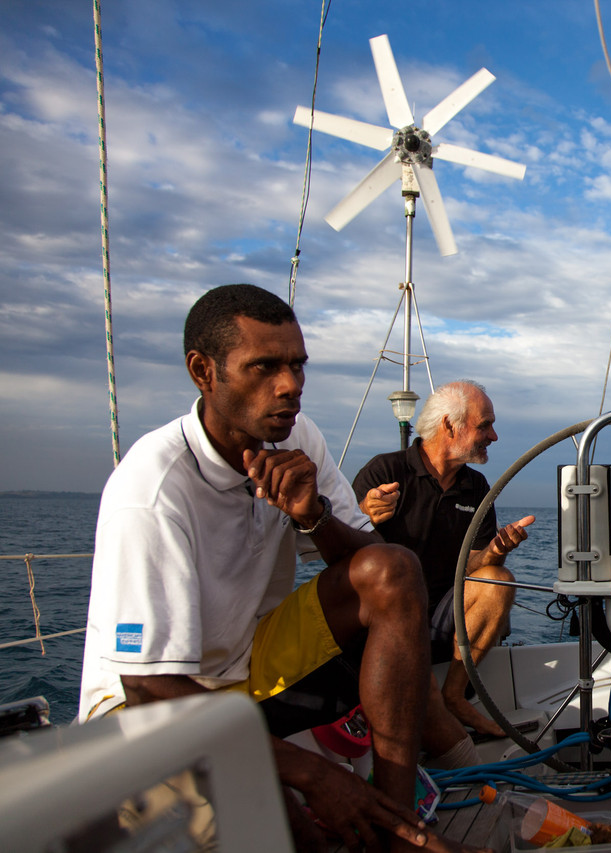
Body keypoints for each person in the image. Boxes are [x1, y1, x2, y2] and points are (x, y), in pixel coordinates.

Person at [79, 284, 483, 853]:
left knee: (393, 569)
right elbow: (147, 688)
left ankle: (399, 829)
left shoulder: (297, 437)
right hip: (146, 714)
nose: (289, 385)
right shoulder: (153, 490)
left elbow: (376, 565)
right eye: (264, 366)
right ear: (204, 371)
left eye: (297, 365)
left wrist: (313, 516)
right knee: (291, 831)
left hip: (246, 665)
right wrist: (313, 777)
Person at [354, 381, 534, 738]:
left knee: (500, 581)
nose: (494, 436)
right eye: (485, 425)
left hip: (441, 610)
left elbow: (470, 567)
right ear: (450, 425)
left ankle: (454, 696)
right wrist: (363, 515)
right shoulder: (383, 473)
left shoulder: (477, 487)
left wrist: (494, 551)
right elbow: (347, 552)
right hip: (383, 615)